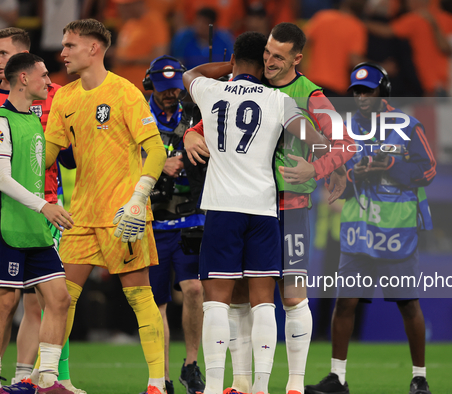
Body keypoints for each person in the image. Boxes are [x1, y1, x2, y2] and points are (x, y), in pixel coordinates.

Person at [183, 22, 355, 394]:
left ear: (297, 58)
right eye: (266, 54)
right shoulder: (266, 95)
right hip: (259, 206)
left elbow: (344, 141)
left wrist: (320, 167)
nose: (271, 61)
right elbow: (207, 125)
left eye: (278, 56)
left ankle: (293, 384)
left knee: (291, 295)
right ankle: (243, 383)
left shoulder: (310, 94)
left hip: (288, 206)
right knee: (242, 296)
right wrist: (189, 133)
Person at [42, 19, 167, 394]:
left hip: (122, 215)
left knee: (139, 296)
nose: (62, 53)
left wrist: (137, 200)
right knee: (61, 299)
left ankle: (156, 385)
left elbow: (157, 151)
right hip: (79, 216)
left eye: (70, 46)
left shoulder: (125, 92)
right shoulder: (63, 97)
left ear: (93, 48)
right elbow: (48, 156)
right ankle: (54, 379)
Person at [305, 63, 437, 394]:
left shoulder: (407, 125)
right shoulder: (345, 129)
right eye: (357, 92)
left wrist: (392, 165)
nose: (362, 97)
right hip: (358, 230)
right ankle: (338, 378)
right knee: (345, 302)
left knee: (408, 304)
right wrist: (355, 175)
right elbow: (337, 183)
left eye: (369, 91)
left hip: (398, 230)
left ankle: (419, 378)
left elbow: (429, 170)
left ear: (383, 92)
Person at [0, 27, 82, 394]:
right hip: (10, 222)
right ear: (25, 77)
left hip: (41, 221)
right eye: (45, 75)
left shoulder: (34, 116)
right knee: (5, 304)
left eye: (1, 54)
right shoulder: (0, 121)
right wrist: (45, 205)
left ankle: (44, 379)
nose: (51, 80)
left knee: (58, 299)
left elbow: (66, 160)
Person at [143, 54, 206, 394]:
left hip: (192, 216)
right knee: (157, 302)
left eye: (175, 88)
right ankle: (161, 377)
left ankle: (191, 364)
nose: (170, 94)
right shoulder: (136, 115)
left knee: (194, 289)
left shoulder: (197, 113)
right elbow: (121, 156)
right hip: (152, 219)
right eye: (164, 88)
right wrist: (156, 163)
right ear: (151, 85)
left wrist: (196, 153)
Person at [365, 0, 452, 96]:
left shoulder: (415, 18)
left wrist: (360, 22)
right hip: (445, 81)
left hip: (429, 84)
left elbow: (387, 31)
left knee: (428, 116)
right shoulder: (443, 17)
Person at [303, 0, 368, 96]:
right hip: (337, 87)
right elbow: (354, 60)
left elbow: (300, 43)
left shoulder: (322, 17)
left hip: (312, 81)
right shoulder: (357, 27)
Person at [112, 0, 169, 91]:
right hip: (122, 88)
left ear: (138, 3)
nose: (121, 9)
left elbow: (159, 57)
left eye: (126, 6)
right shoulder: (128, 23)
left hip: (142, 90)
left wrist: (128, 61)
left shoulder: (154, 22)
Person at [170, 8, 235, 69]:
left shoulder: (225, 39)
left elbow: (233, 63)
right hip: (189, 78)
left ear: (213, 25)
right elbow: (176, 64)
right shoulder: (182, 38)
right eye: (198, 21)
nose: (200, 25)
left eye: (204, 23)